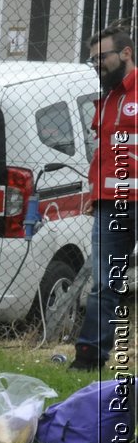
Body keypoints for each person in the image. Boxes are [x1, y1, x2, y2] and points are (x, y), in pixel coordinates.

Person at [70, 24, 135, 372]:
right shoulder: (107, 98)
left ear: (125, 53)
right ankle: (89, 359)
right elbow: (103, 155)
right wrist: (96, 195)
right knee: (105, 283)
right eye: (92, 58)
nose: (96, 64)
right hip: (112, 204)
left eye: (102, 57)